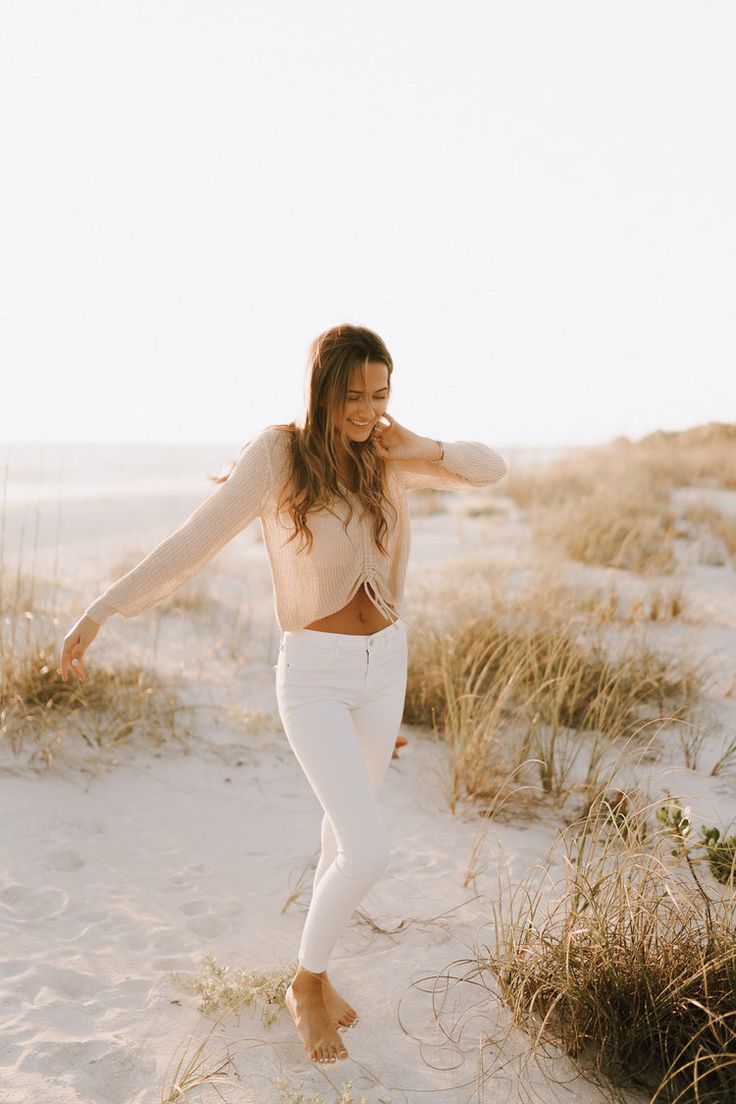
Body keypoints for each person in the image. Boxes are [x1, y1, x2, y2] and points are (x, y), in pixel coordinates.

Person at [58, 323, 508, 1065]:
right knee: (367, 850)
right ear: (321, 388)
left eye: (381, 394)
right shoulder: (280, 455)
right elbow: (193, 542)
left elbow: (490, 470)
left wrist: (418, 443)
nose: (366, 411)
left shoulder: (386, 457)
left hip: (385, 666)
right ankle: (306, 984)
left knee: (341, 837)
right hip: (316, 675)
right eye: (353, 395)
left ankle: (318, 977)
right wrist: (102, 609)